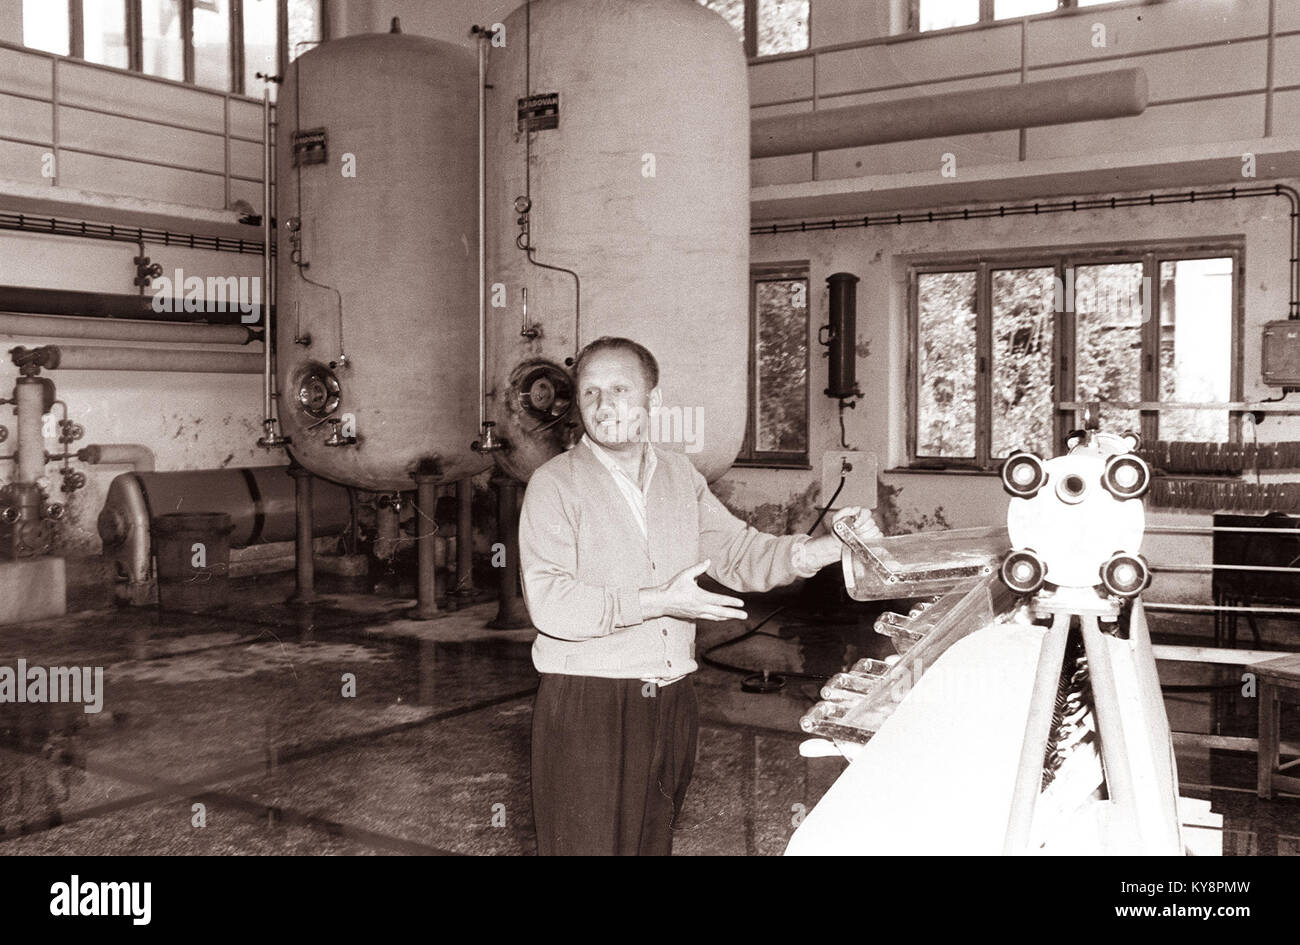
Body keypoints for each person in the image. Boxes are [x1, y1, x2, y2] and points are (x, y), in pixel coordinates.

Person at [518, 336, 882, 855]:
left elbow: (738, 553)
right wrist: (657, 601)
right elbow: (551, 602)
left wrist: (829, 548)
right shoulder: (553, 485)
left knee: (651, 845)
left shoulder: (676, 474)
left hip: (671, 698)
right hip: (589, 699)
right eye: (591, 392)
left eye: (620, 389)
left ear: (653, 400)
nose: (604, 405)